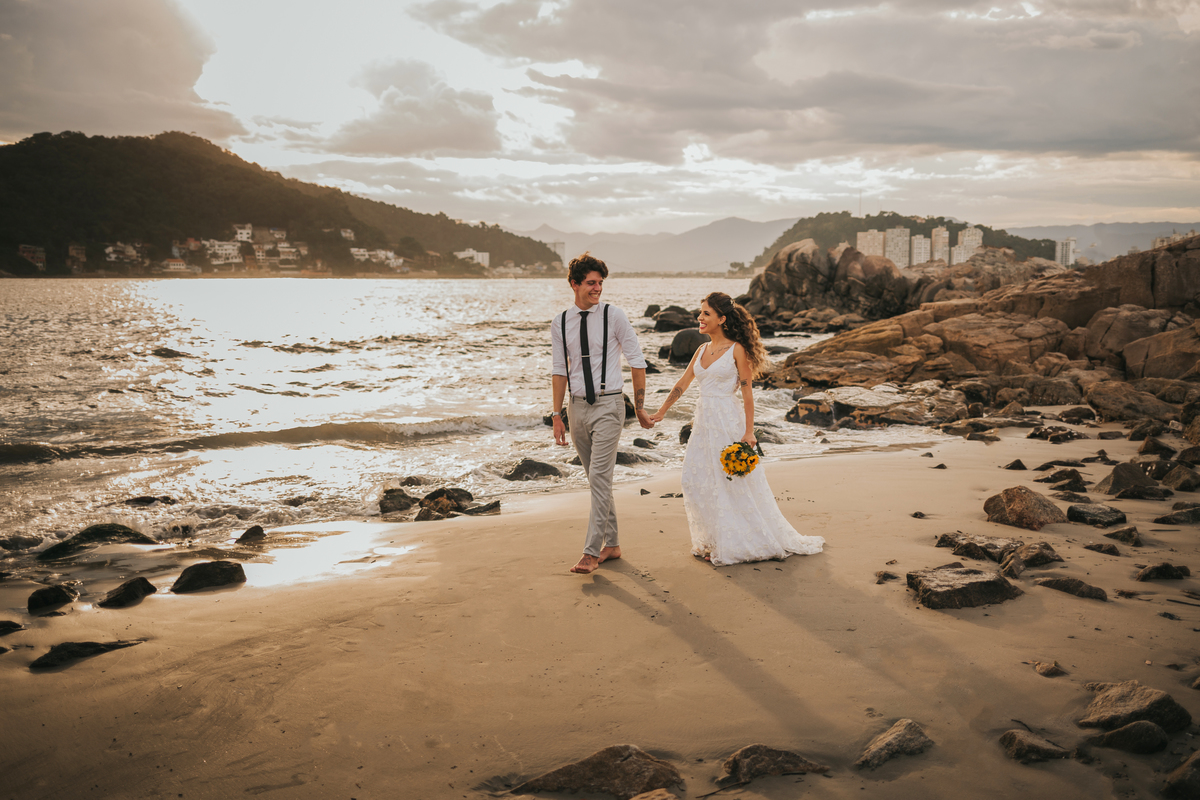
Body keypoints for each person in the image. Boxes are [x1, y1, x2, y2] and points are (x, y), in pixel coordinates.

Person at [649, 292, 824, 566]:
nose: (700, 317)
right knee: (695, 479)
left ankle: (736, 540)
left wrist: (749, 431)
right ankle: (712, 538)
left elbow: (747, 394)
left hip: (727, 420)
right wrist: (660, 411)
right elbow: (682, 384)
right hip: (703, 421)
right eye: (701, 312)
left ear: (722, 318)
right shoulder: (700, 350)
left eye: (706, 313)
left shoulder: (736, 350)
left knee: (730, 481)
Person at [551, 253, 653, 574]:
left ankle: (591, 551)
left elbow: (637, 361)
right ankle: (613, 545)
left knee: (598, 476)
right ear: (574, 284)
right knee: (597, 480)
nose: (597, 289)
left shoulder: (615, 316)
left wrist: (638, 407)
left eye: (600, 283)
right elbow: (558, 370)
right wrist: (557, 415)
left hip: (610, 405)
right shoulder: (560, 321)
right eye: (591, 283)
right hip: (576, 407)